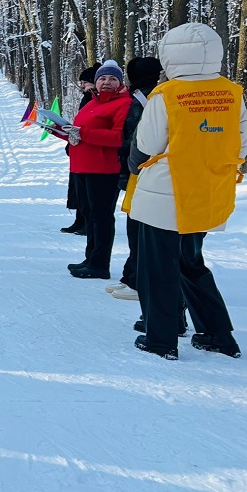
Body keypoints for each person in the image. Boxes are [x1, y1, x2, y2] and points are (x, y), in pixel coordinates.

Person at [129, 23, 246, 360]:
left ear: (171, 54)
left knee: (158, 267)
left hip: (165, 193)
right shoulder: (232, 93)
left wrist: (135, 164)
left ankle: (161, 339)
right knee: (191, 263)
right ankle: (218, 334)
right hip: (208, 189)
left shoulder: (166, 94)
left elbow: (148, 143)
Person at [62, 59, 131, 279]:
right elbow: (80, 132)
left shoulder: (123, 103)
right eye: (102, 78)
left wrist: (82, 133)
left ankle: (100, 264)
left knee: (101, 217)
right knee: (89, 216)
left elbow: (119, 137)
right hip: (82, 167)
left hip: (104, 169)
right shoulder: (93, 102)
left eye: (112, 79)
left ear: (120, 82)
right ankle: (91, 258)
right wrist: (61, 131)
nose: (107, 82)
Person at [106, 56, 162, 303]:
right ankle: (131, 275)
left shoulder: (149, 99)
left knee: (138, 226)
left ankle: (138, 280)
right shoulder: (148, 95)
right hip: (136, 169)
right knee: (134, 224)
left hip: (140, 170)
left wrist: (126, 155)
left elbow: (140, 137)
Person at [61, 65, 99, 234]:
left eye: (85, 82)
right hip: (78, 147)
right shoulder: (86, 97)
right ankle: (79, 220)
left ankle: (86, 222)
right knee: (77, 188)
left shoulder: (92, 99)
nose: (82, 85)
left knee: (85, 191)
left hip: (87, 148)